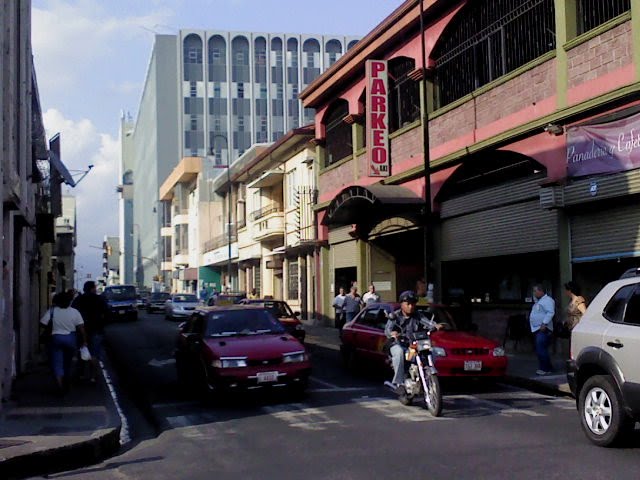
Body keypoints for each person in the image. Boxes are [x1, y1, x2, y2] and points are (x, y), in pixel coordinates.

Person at [384, 291, 442, 388]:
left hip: (413, 345)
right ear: (402, 304)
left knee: (432, 351)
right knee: (398, 353)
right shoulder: (395, 316)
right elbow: (387, 330)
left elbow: (427, 322)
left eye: (413, 304)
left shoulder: (418, 315)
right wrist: (392, 334)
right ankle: (399, 382)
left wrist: (435, 325)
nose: (410, 306)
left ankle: (426, 375)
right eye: (408, 304)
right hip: (399, 344)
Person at [40, 291, 88, 394]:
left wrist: (52, 326)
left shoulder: (52, 311)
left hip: (56, 338)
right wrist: (84, 341)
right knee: (68, 362)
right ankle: (66, 379)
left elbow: (43, 323)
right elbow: (81, 328)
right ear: (70, 301)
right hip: (71, 338)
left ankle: (60, 386)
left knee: (57, 363)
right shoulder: (75, 312)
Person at [72, 281, 108, 383]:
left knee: (82, 353)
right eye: (95, 287)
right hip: (96, 329)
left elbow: (73, 313)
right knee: (94, 354)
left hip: (82, 330)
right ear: (92, 288)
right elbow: (106, 312)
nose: (96, 289)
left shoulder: (78, 299)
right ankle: (93, 376)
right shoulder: (99, 299)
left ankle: (81, 374)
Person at [529, 284, 555, 376]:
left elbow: (550, 312)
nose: (534, 293)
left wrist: (544, 323)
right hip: (537, 328)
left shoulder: (547, 300)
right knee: (541, 348)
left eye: (535, 291)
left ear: (541, 291)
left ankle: (545, 368)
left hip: (543, 328)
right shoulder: (539, 301)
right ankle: (549, 367)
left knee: (541, 349)